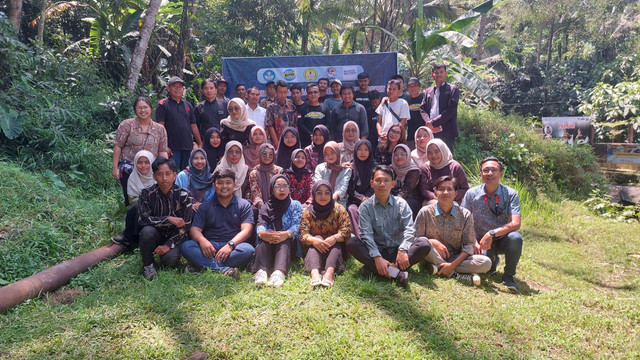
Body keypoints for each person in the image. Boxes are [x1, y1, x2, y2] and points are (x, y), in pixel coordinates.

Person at [347, 165, 432, 286]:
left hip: (398, 251)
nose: (382, 184)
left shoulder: (402, 204)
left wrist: (402, 250)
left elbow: (409, 229)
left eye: (386, 180)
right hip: (377, 251)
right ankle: (397, 273)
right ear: (372, 183)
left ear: (393, 184)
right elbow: (366, 235)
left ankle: (372, 269)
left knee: (424, 244)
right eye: (378, 180)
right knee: (352, 242)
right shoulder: (365, 207)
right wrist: (377, 258)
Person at [414, 176, 491, 286]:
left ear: (455, 193)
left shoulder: (465, 214)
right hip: (431, 255)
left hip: (455, 256)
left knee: (486, 263)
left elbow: (468, 245)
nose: (445, 192)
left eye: (449, 189)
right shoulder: (425, 212)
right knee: (424, 244)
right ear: (435, 193)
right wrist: (431, 242)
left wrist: (452, 265)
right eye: (441, 189)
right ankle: (455, 275)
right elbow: (415, 239)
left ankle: (439, 268)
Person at [461, 157, 523, 292]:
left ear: (501, 174)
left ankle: (509, 276)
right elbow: (463, 221)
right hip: (478, 240)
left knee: (516, 238)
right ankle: (492, 260)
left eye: (494, 170)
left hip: (500, 238)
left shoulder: (511, 194)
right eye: (486, 170)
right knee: (486, 268)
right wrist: (473, 241)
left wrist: (492, 233)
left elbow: (515, 223)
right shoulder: (471, 194)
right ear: (481, 174)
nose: (490, 173)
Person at [182, 168, 256, 278]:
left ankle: (203, 266)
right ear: (214, 186)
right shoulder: (205, 206)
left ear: (234, 185)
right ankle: (225, 270)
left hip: (232, 248)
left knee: (248, 250)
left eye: (228, 183)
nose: (224, 186)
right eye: (220, 183)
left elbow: (247, 230)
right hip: (209, 248)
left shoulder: (243, 205)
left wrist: (230, 245)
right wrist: (203, 242)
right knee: (186, 246)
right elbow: (195, 229)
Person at [137, 157, 193, 280]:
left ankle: (167, 253)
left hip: (175, 235)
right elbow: (143, 220)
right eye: (160, 174)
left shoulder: (184, 195)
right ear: (154, 176)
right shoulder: (146, 194)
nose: (164, 178)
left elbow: (186, 226)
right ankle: (148, 265)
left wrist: (168, 245)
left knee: (169, 261)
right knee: (146, 232)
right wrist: (168, 219)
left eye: (168, 174)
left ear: (174, 175)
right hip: (155, 234)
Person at [113, 97, 168, 205]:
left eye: (145, 107)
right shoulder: (127, 125)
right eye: (139, 108)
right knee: (131, 200)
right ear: (135, 110)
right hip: (129, 169)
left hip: (150, 170)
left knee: (152, 200)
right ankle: (132, 219)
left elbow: (162, 150)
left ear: (151, 109)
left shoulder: (159, 129)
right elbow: (118, 145)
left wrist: (165, 170)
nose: (143, 110)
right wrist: (115, 168)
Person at [252, 175, 303, 287]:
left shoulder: (295, 205)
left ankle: (279, 273)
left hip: (289, 245)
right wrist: (264, 234)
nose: (282, 189)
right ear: (272, 189)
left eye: (285, 186)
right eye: (278, 186)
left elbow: (297, 226)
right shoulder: (266, 207)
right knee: (264, 239)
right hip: (269, 242)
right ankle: (261, 272)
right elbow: (261, 224)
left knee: (284, 240)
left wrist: (286, 234)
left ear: (289, 189)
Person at [300, 181, 351, 287]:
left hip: (335, 248)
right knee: (316, 238)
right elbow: (303, 234)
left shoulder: (339, 209)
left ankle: (329, 273)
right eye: (319, 193)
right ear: (314, 194)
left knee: (335, 242)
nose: (323, 196)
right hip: (315, 249)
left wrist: (334, 238)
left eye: (327, 193)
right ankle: (315, 274)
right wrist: (314, 240)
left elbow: (346, 231)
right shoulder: (307, 212)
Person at [156, 76, 203, 170]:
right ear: (168, 88)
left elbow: (193, 125)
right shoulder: (163, 104)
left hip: (188, 147)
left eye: (180, 87)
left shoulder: (188, 105)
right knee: (172, 173)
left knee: (187, 174)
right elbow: (160, 127)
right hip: (172, 148)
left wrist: (200, 143)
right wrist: (164, 146)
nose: (177, 89)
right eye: (174, 86)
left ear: (183, 89)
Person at [111, 150, 156, 247]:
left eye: (147, 162)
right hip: (140, 213)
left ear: (152, 162)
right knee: (135, 207)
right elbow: (132, 200)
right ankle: (129, 237)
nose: (143, 166)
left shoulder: (157, 176)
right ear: (135, 163)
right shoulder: (132, 178)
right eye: (139, 162)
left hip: (157, 213)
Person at [419, 62, 460, 153]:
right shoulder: (428, 91)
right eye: (436, 72)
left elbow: (451, 110)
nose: (439, 75)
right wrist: (428, 123)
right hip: (430, 131)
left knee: (446, 156)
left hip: (446, 130)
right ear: (432, 74)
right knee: (431, 155)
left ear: (446, 73)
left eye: (441, 72)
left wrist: (434, 123)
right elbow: (422, 109)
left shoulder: (453, 89)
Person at [419, 139, 469, 204]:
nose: (433, 155)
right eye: (429, 153)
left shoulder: (455, 166)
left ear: (443, 151)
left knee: (452, 207)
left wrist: (450, 196)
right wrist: (436, 196)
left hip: (453, 200)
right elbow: (423, 190)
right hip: (433, 200)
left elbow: (465, 189)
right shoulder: (425, 168)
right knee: (435, 205)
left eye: (437, 151)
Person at [346, 139, 375, 238]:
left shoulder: (375, 167)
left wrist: (366, 198)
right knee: (352, 210)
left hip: (371, 199)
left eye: (366, 150)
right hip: (354, 200)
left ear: (370, 151)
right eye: (360, 149)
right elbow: (349, 188)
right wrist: (360, 198)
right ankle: (361, 239)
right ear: (355, 151)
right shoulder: (351, 167)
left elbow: (375, 185)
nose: (363, 152)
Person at [313, 141, 352, 208]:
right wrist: (324, 198)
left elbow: (342, 187)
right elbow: (318, 184)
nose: (330, 156)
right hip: (321, 200)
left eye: (332, 152)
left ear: (337, 152)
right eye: (326, 154)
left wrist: (332, 198)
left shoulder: (346, 170)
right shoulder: (320, 168)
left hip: (338, 202)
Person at [390, 144, 422, 216]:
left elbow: (406, 190)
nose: (399, 157)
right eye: (396, 154)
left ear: (408, 155)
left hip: (410, 198)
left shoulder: (414, 171)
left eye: (403, 154)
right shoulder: (390, 169)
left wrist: (394, 201)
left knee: (401, 207)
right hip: (392, 197)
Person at [248, 143, 283, 210]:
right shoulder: (254, 173)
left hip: (278, 204)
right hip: (260, 207)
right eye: (264, 154)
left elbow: (281, 190)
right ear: (260, 154)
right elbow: (255, 194)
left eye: (271, 154)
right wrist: (263, 207)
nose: (267, 156)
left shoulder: (279, 171)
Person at [265, 80, 297, 149]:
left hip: (292, 143)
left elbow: (295, 125)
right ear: (276, 92)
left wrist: (295, 141)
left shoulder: (292, 107)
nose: (283, 95)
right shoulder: (271, 107)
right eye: (280, 92)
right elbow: (270, 127)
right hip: (277, 143)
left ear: (287, 92)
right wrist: (277, 144)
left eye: (285, 92)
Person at [297, 83, 331, 148]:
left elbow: (328, 124)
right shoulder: (302, 109)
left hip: (322, 141)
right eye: (310, 93)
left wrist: (320, 135)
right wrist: (310, 134)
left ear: (319, 94)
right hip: (306, 142)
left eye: (315, 92)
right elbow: (301, 124)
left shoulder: (325, 108)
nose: (313, 95)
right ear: (307, 95)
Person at [405, 77, 425, 149]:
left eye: (415, 86)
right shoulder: (404, 99)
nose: (412, 88)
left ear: (419, 86)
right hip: (410, 136)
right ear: (407, 88)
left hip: (423, 135)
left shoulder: (425, 98)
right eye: (410, 86)